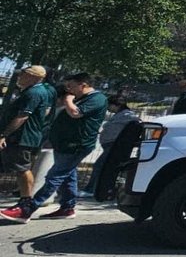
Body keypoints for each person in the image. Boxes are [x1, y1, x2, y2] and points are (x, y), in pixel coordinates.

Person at [22, 73, 108, 220]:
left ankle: (29, 208)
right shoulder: (80, 98)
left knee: (55, 176)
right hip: (64, 144)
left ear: (83, 85)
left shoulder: (97, 98)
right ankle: (67, 208)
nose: (69, 89)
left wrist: (68, 100)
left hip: (76, 145)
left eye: (71, 86)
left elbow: (75, 113)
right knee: (68, 176)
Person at [0, 66, 56, 224]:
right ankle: (25, 205)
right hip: (21, 137)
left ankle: (25, 206)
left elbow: (23, 116)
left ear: (33, 77)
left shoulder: (34, 92)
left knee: (22, 169)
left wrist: (4, 134)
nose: (19, 77)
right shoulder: (34, 91)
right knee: (18, 168)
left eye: (23, 74)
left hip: (22, 138)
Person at [84, 95, 137, 198]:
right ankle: (97, 189)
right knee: (101, 167)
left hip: (113, 146)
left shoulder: (127, 115)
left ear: (115, 105)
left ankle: (91, 189)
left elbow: (135, 121)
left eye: (109, 105)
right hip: (110, 145)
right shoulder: (119, 115)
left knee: (99, 166)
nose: (108, 108)